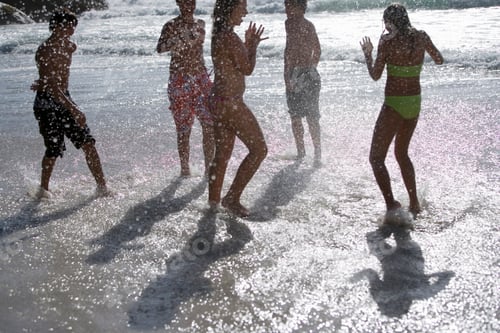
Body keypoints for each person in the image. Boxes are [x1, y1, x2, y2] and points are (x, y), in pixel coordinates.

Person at [360, 3, 443, 217]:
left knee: (376, 158)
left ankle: (391, 204)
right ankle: (414, 203)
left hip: (394, 105)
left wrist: (368, 55)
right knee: (401, 153)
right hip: (414, 103)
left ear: (389, 22)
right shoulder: (422, 36)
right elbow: (439, 59)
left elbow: (376, 75)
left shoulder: (387, 42)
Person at [32, 9, 112, 199]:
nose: (72, 30)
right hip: (47, 102)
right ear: (56, 26)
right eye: (68, 26)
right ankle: (43, 191)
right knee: (53, 148)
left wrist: (46, 81)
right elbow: (51, 85)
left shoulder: (69, 46)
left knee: (88, 143)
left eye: (73, 26)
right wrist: (73, 108)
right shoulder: (45, 50)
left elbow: (53, 79)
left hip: (63, 96)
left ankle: (102, 187)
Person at [208, 0, 268, 217]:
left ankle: (213, 204)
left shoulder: (218, 35)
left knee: (221, 155)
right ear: (230, 9)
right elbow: (247, 68)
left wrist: (247, 45)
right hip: (231, 103)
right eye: (242, 7)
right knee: (260, 150)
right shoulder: (229, 38)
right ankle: (232, 198)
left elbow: (235, 65)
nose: (245, 11)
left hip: (217, 101)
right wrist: (252, 46)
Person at [156, 0, 215, 177]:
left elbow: (200, 48)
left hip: (200, 78)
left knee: (209, 124)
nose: (189, 4)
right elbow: (160, 48)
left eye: (192, 0)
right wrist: (180, 38)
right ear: (178, 2)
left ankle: (208, 170)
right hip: (179, 80)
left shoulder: (201, 24)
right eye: (184, 1)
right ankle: (185, 170)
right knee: (183, 130)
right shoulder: (171, 25)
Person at [284, 0, 322, 166]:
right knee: (295, 115)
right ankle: (301, 152)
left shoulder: (308, 25)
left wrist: (310, 70)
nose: (286, 8)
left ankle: (317, 153)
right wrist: (287, 74)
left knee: (312, 117)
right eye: (285, 5)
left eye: (289, 5)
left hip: (307, 74)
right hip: (293, 73)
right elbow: (288, 49)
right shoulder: (288, 23)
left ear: (300, 7)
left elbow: (317, 49)